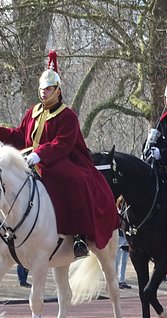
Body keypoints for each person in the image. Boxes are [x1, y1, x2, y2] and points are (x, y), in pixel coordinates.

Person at [0, 50, 118, 259]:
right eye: (42, 89)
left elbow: (63, 144)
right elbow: (19, 136)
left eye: (48, 89)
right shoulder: (33, 112)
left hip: (57, 161)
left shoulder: (67, 115)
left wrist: (40, 155)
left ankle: (79, 235)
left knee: (76, 179)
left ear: (57, 90)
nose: (44, 92)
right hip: (30, 161)